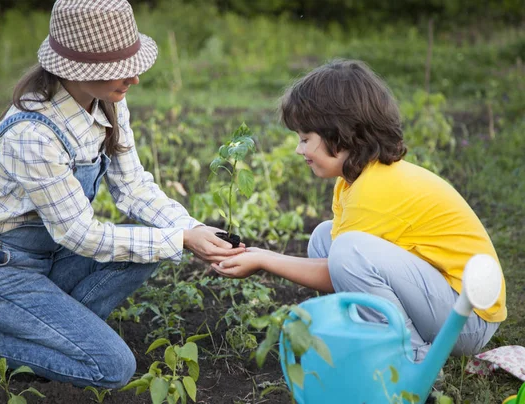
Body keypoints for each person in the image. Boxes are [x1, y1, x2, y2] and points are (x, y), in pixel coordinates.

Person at [0, 0, 244, 388]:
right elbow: (79, 235)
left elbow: (133, 187)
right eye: (117, 70)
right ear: (75, 71)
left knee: (147, 247)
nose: (134, 80)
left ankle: (55, 332)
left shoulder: (108, 101)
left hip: (48, 255)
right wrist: (178, 239)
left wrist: (194, 230)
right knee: (110, 367)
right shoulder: (32, 133)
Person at [213, 59, 506, 362]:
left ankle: (412, 362)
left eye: (305, 139)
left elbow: (337, 269)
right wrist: (262, 256)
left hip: (468, 318)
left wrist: (263, 258)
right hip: (445, 305)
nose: (299, 150)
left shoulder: (376, 187)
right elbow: (336, 262)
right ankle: (368, 338)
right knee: (324, 238)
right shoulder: (352, 181)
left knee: (347, 251)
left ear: (341, 135)